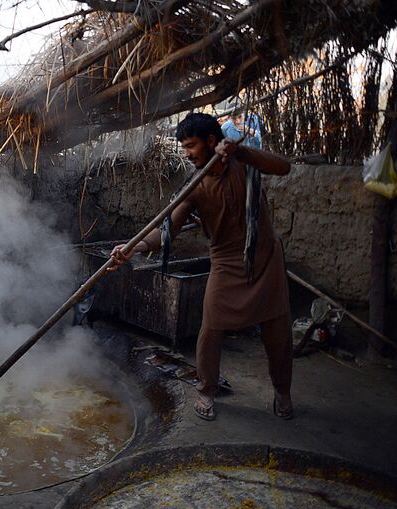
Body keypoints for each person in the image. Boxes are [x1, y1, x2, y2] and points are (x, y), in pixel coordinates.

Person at [108, 112, 293, 421]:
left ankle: (283, 392)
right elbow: (167, 230)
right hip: (225, 262)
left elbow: (283, 167)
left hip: (264, 258)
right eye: (183, 147)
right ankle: (206, 390)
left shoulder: (244, 163)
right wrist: (133, 247)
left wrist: (242, 150)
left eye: (191, 145)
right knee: (210, 330)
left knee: (277, 332)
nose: (188, 153)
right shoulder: (194, 186)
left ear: (211, 141)